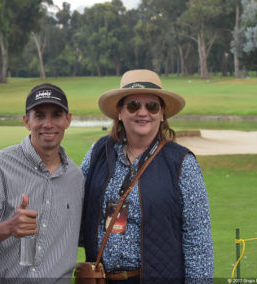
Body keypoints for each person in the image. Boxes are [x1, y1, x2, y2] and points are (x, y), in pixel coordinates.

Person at [80, 69, 213, 283]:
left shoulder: (182, 163)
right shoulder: (98, 153)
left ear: (162, 115)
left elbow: (198, 241)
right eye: (133, 105)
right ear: (120, 112)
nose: (143, 113)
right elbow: (71, 206)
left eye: (152, 106)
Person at [0, 83, 84, 282]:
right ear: (26, 121)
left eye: (56, 115)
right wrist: (9, 227)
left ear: (68, 120)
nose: (48, 124)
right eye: (39, 115)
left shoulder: (76, 178)